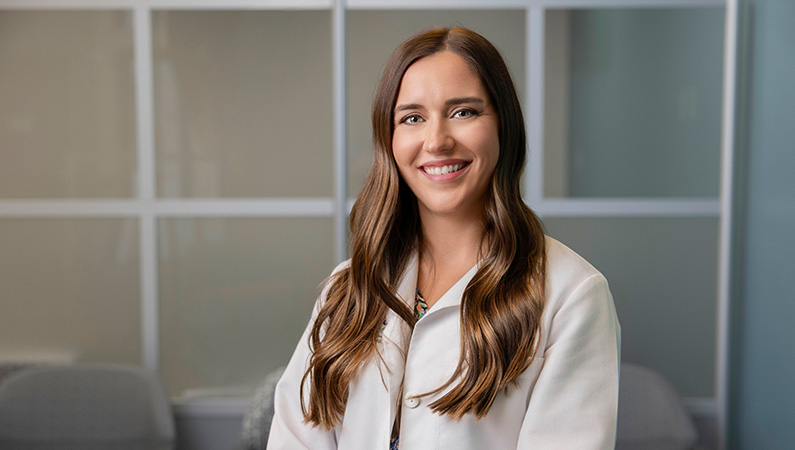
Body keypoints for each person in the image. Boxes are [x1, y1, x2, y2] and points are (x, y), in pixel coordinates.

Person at [268, 27, 620, 450]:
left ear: (503, 126)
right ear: (389, 140)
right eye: (412, 118)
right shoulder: (348, 288)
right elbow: (296, 436)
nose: (436, 141)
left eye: (464, 112)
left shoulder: (572, 295)